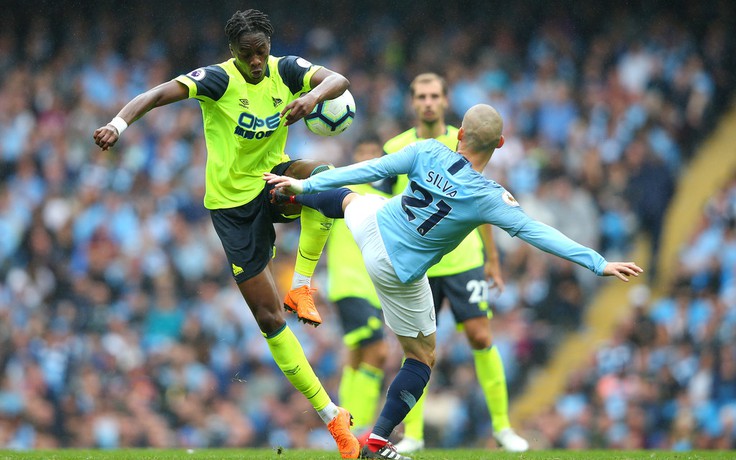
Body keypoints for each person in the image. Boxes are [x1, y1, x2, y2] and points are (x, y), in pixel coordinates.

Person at [264, 103, 643, 460]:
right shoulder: (488, 196)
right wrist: (599, 263)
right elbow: (537, 232)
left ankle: (279, 194)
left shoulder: (428, 149)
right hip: (397, 269)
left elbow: (369, 169)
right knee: (422, 357)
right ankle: (378, 440)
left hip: (374, 226)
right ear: (500, 144)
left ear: (459, 133)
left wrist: (305, 186)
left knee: (347, 198)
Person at [92, 9, 360, 458]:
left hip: (272, 178)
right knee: (270, 321)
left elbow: (340, 80)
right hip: (232, 208)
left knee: (325, 179)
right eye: (246, 55)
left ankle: (301, 285)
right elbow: (157, 94)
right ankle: (333, 417)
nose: (256, 62)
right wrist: (118, 124)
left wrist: (312, 99)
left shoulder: (285, 70)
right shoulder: (217, 80)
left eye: (261, 52)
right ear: (232, 52)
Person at [383, 72, 526, 452]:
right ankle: (413, 434)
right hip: (421, 266)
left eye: (434, 95)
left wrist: (492, 260)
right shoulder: (395, 146)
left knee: (481, 336)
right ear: (412, 102)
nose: (428, 102)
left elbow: (483, 205)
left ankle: (502, 428)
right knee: (415, 350)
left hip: (464, 261)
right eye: (420, 96)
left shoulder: (465, 139)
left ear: (446, 101)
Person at [326, 136, 390, 434]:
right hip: (349, 284)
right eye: (361, 153)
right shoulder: (344, 191)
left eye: (373, 155)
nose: (367, 160)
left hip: (372, 288)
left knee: (355, 355)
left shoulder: (387, 197)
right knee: (377, 353)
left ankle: (344, 427)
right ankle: (360, 425)